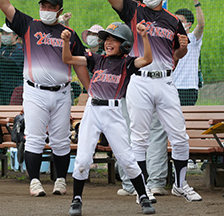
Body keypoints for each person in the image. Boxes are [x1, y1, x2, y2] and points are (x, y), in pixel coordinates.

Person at [101, 0, 202, 202]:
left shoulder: (173, 21)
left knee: (179, 135)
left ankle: (180, 184)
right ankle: (142, 189)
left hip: (166, 81)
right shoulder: (134, 11)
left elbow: (176, 56)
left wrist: (182, 48)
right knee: (140, 137)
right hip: (139, 82)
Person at [0, 0, 90, 197]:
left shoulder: (69, 33)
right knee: (33, 138)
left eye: (51, 7)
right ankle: (34, 181)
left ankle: (61, 180)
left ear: (59, 10)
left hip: (62, 92)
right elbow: (6, 7)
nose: (45, 10)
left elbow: (79, 65)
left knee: (61, 140)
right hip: (35, 92)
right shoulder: (28, 25)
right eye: (43, 5)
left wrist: (90, 89)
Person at [62, 22, 155, 216]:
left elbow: (147, 59)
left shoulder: (127, 63)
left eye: (115, 40)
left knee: (127, 159)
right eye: (107, 39)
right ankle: (76, 199)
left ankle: (143, 196)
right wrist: (66, 42)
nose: (108, 43)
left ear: (126, 45)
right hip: (92, 111)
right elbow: (67, 58)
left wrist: (145, 36)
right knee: (82, 159)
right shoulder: (96, 59)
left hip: (113, 113)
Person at [117, 0, 168, 200]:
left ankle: (134, 183)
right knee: (152, 133)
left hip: (137, 84)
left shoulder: (126, 26)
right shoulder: (165, 22)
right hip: (151, 82)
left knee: (133, 133)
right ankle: (150, 182)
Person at [173, 0, 205, 106]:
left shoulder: (193, 39)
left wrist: (196, 3)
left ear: (189, 24)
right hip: (171, 86)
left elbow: (201, 25)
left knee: (186, 119)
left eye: (181, 21)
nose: (177, 24)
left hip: (188, 87)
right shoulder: (170, 39)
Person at [0, 24, 24, 105]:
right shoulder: (3, 50)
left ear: (15, 35)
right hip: (2, 91)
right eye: (3, 34)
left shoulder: (20, 50)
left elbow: (10, 63)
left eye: (7, 34)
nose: (4, 36)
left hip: (15, 90)